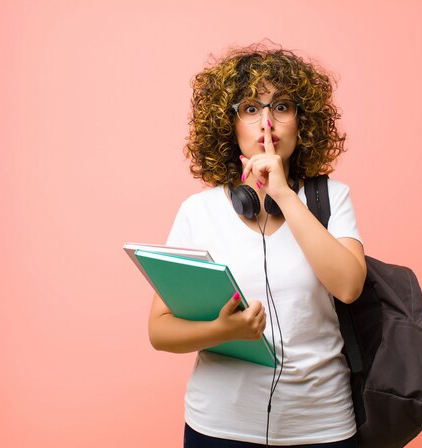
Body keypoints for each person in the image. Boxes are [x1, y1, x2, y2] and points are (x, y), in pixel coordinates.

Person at [148, 43, 367, 448]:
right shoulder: (198, 212)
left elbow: (349, 286)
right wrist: (221, 330)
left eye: (282, 107)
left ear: (303, 122)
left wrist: (283, 194)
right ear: (229, 127)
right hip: (219, 427)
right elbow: (160, 331)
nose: (267, 123)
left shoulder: (331, 199)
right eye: (250, 109)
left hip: (322, 427)